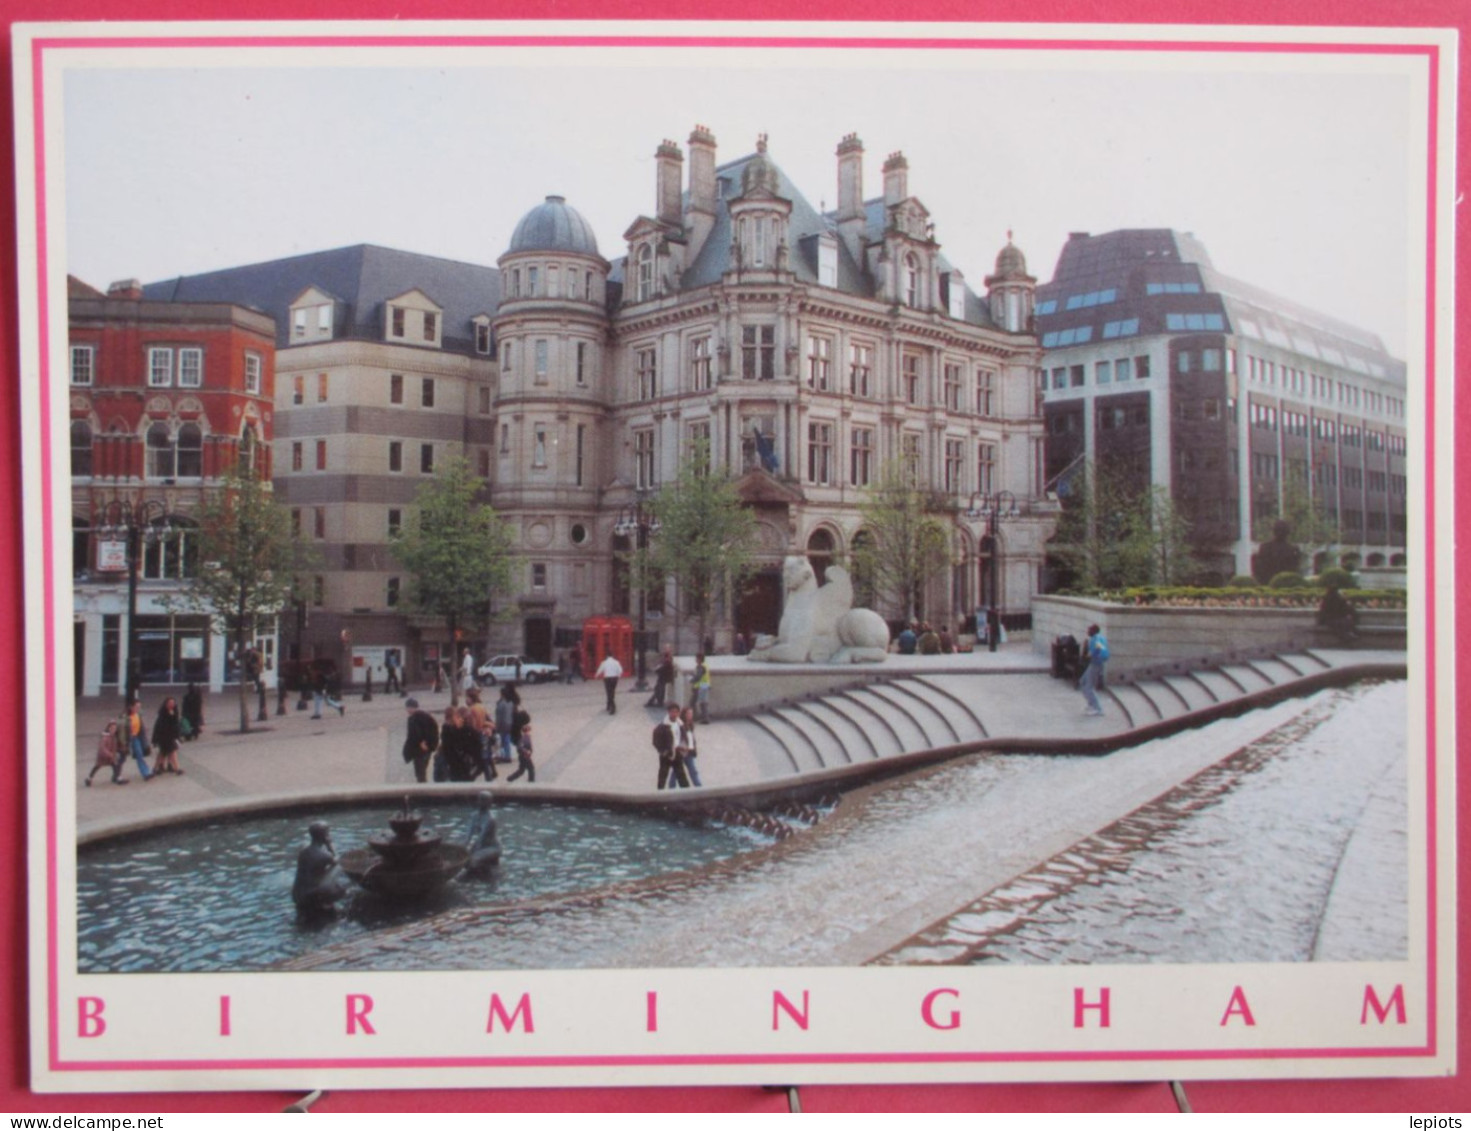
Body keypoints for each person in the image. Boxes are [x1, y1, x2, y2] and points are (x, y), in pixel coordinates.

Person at [401, 697, 440, 784]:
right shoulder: (428, 717)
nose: (406, 710)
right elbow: (435, 731)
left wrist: (410, 749)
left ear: (410, 708)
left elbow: (413, 736)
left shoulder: (413, 719)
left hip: (418, 750)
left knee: (420, 774)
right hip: (428, 749)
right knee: (422, 771)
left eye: (407, 708)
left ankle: (423, 792)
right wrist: (431, 745)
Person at [653, 704, 688, 790]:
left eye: (676, 712)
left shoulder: (680, 724)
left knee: (681, 775)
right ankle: (659, 793)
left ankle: (687, 793)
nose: (674, 714)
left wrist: (683, 747)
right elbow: (656, 741)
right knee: (663, 775)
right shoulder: (662, 726)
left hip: (677, 752)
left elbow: (683, 737)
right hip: (667, 754)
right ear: (668, 712)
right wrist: (663, 751)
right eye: (672, 712)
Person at [1079, 623, 1109, 717]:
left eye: (1089, 630)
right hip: (1094, 664)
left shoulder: (1096, 639)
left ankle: (1097, 708)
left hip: (1096, 664)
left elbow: (1099, 650)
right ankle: (1091, 703)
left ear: (1093, 631)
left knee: (1088, 686)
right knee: (1082, 681)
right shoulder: (1097, 638)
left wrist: (1091, 654)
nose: (1088, 632)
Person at [85, 721, 126, 786]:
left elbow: (115, 746)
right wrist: (110, 754)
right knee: (97, 766)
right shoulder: (105, 738)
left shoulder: (114, 737)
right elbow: (102, 748)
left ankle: (118, 778)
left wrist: (120, 750)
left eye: (115, 728)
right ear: (109, 728)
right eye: (112, 728)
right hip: (103, 756)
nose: (114, 730)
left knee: (116, 765)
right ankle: (89, 778)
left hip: (111, 756)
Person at [152, 697, 183, 776]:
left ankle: (156, 768)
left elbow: (176, 725)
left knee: (163, 753)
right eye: (170, 703)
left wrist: (178, 736)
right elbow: (160, 727)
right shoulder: (163, 715)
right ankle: (177, 769)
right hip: (164, 737)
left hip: (171, 736)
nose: (171, 705)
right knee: (171, 752)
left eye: (173, 703)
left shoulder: (174, 713)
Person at [123, 699, 152, 782]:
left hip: (138, 737)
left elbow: (141, 726)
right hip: (131, 738)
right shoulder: (126, 717)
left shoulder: (138, 714)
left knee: (140, 754)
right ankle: (146, 772)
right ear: (131, 707)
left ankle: (146, 772)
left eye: (139, 707)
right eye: (136, 707)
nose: (138, 708)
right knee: (125, 757)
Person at [494, 685, 518, 763]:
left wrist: (497, 727)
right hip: (509, 723)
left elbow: (499, 717)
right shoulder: (510, 703)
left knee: (503, 741)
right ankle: (508, 755)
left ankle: (505, 756)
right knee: (507, 740)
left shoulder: (501, 704)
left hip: (502, 725)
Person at [679, 706, 702, 787]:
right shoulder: (680, 726)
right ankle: (671, 789)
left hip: (689, 751)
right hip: (681, 752)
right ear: (684, 714)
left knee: (693, 771)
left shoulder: (691, 725)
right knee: (676, 773)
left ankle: (699, 787)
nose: (690, 715)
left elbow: (691, 738)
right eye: (688, 713)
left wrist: (693, 748)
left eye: (691, 713)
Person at [691, 652, 711, 724]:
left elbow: (698, 677)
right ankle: (700, 717)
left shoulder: (701, 667)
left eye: (696, 658)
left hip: (701, 686)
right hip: (704, 685)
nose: (695, 660)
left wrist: (691, 680)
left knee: (700, 703)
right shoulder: (705, 665)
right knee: (701, 702)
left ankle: (704, 718)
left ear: (699, 659)